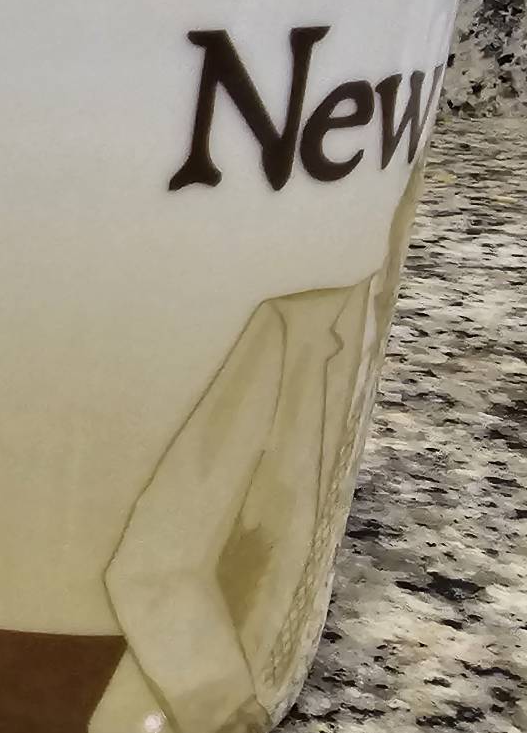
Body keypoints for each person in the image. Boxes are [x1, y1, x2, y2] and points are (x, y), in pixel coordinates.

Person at [98, 165, 425, 733]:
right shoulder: (292, 333)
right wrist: (223, 706)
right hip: (185, 706)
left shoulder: (364, 340)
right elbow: (156, 561)